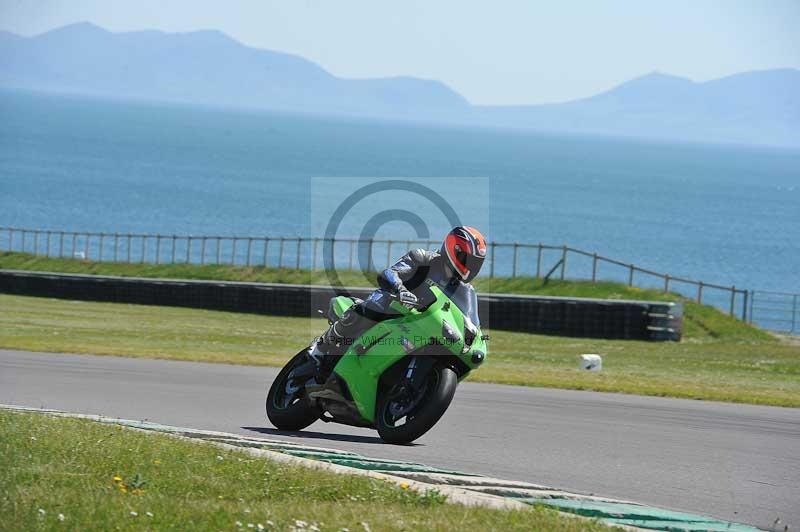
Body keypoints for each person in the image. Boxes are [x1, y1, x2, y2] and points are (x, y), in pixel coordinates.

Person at [310, 226, 487, 373]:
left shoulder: (465, 291)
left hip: (420, 325)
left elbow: (470, 320)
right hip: (391, 304)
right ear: (453, 249)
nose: (472, 267)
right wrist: (401, 290)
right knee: (365, 313)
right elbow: (390, 273)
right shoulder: (423, 259)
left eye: (476, 263)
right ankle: (318, 352)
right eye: (468, 260)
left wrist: (477, 341)